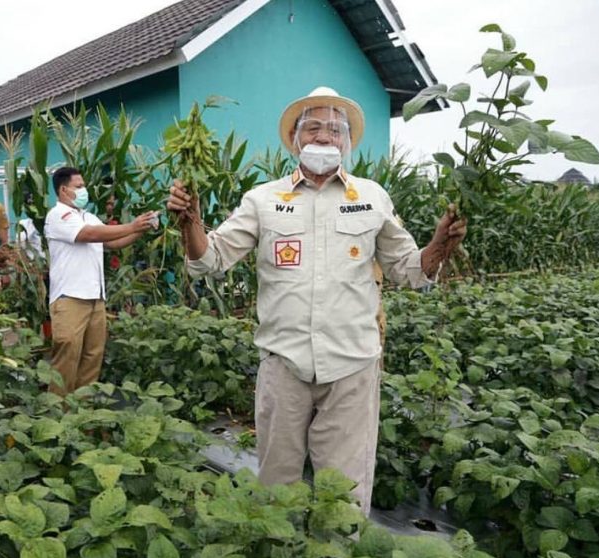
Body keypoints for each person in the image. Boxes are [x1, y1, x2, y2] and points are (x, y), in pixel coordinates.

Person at [167, 87, 467, 515]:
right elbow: (210, 259)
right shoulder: (263, 200)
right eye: (313, 127)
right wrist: (189, 222)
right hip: (283, 364)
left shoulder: (372, 197)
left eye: (334, 129)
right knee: (276, 488)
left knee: (343, 493)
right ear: (294, 138)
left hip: (352, 365)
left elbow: (409, 269)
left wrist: (440, 242)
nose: (324, 137)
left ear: (346, 142)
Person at [44, 167, 157, 393]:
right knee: (66, 358)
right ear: (64, 190)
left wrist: (141, 229)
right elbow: (89, 235)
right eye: (79, 186)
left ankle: (84, 416)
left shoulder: (88, 216)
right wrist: (132, 225)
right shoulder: (58, 215)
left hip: (95, 298)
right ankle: (57, 416)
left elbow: (112, 242)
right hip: (69, 298)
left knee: (91, 358)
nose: (84, 190)